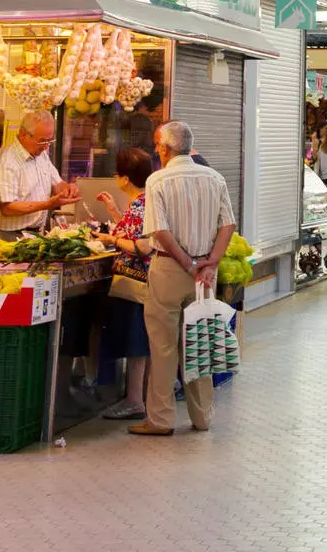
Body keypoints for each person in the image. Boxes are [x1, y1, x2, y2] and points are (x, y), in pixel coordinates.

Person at [131, 121, 236, 437]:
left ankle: (161, 420)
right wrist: (210, 263)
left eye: (156, 145)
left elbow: (160, 231)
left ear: (164, 148)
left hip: (169, 269)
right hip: (206, 273)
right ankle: (202, 417)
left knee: (163, 347)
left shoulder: (157, 180)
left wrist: (189, 264)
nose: (155, 150)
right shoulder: (214, 178)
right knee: (200, 343)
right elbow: (228, 225)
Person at [90, 147, 155, 421]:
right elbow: (132, 232)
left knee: (136, 341)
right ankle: (142, 397)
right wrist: (114, 211)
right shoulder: (142, 202)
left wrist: (109, 240)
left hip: (135, 284)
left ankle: (134, 401)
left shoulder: (141, 204)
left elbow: (141, 246)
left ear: (125, 179)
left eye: (117, 173)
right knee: (140, 340)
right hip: (141, 283)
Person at [0, 111, 79, 235]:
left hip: (35, 233)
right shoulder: (7, 161)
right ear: (23, 134)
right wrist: (47, 204)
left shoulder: (41, 154)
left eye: (50, 140)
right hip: (8, 235)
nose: (46, 146)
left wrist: (67, 189)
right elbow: (7, 208)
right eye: (42, 141)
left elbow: (57, 183)